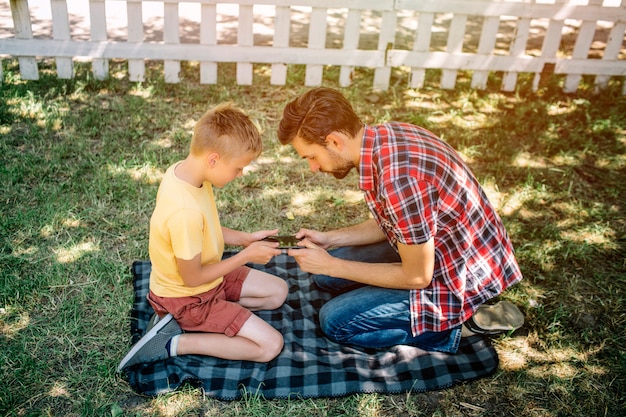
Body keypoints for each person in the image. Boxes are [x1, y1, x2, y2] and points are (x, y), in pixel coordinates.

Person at [277, 87, 524, 353]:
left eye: (312, 157)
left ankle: (462, 323)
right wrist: (330, 239)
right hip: (436, 249)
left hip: (456, 276)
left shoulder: (399, 179)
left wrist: (334, 264)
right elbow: (393, 221)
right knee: (326, 279)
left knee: (336, 322)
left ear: (335, 141)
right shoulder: (383, 138)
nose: (313, 167)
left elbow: (417, 277)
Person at [118, 103, 287, 371]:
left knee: (278, 292)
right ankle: (173, 341)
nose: (240, 174)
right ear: (213, 160)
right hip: (188, 298)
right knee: (270, 345)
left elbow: (205, 230)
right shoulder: (184, 212)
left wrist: (246, 239)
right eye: (238, 168)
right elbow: (192, 277)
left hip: (209, 282)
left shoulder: (186, 173)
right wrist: (246, 257)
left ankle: (212, 315)